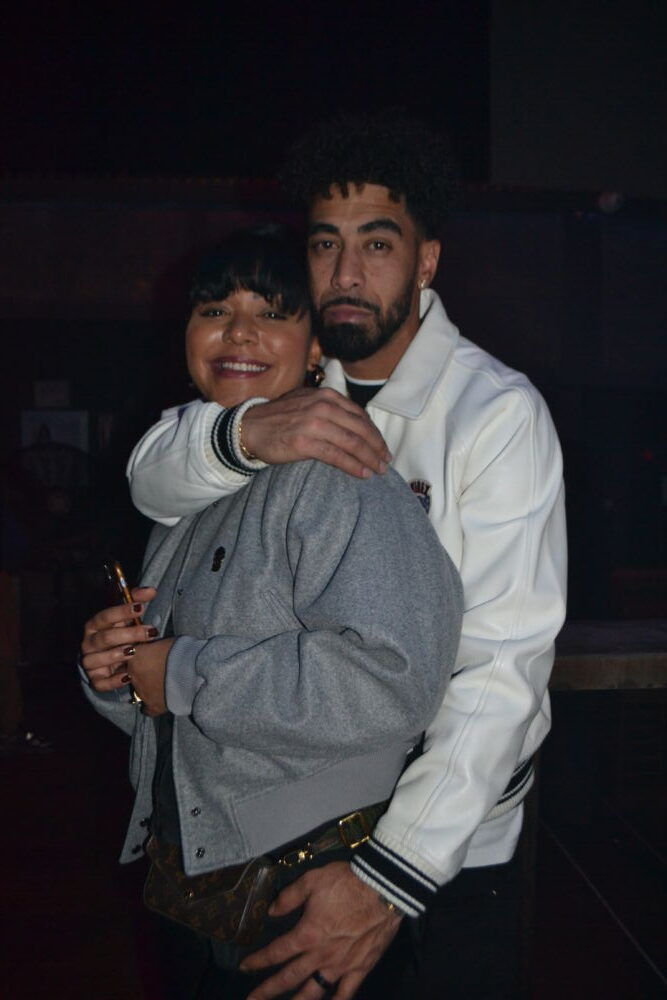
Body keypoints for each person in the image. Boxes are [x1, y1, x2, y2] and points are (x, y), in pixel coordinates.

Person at [126, 111, 568, 1000]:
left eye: (377, 243)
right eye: (326, 244)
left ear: (426, 260)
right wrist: (246, 433)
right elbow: (152, 474)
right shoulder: (287, 375)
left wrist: (389, 877)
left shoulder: (493, 413)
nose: (346, 272)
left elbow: (499, 670)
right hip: (277, 821)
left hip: (438, 841)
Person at [80, 225, 462, 999]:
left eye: (272, 312)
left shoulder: (337, 475)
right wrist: (118, 674)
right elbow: (180, 717)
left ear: (317, 347)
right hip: (194, 875)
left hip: (301, 894)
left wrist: (180, 672)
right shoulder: (192, 489)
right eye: (214, 310)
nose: (238, 332)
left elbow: (392, 679)